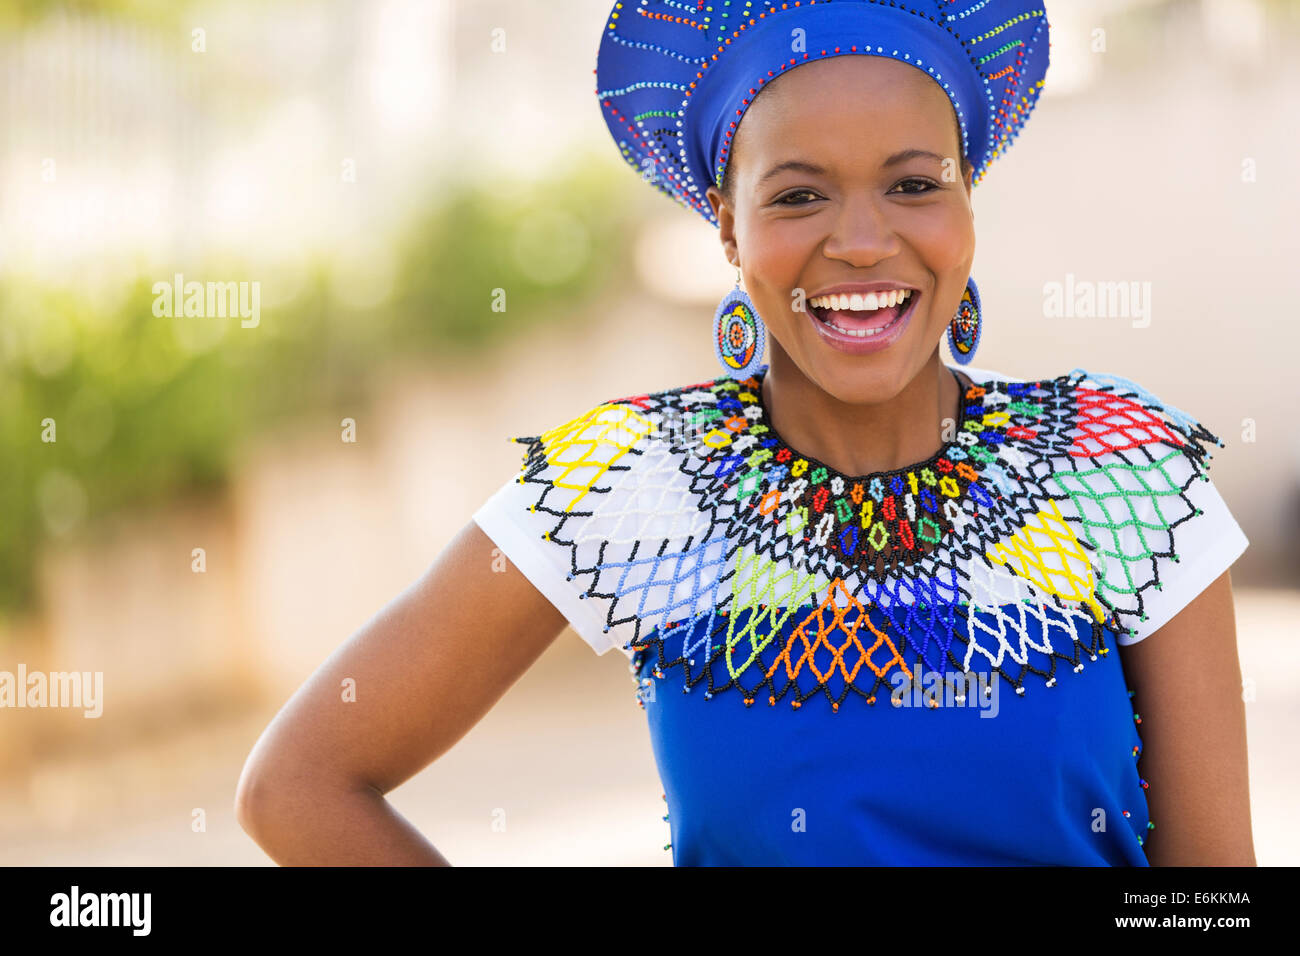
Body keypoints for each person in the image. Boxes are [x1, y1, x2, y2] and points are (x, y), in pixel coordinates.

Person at [235, 0, 1255, 866]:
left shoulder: (1117, 463)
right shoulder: (636, 479)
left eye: (912, 184)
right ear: (725, 225)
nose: (861, 241)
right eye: (798, 194)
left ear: (965, 204)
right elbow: (299, 785)